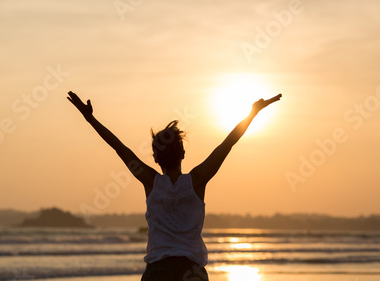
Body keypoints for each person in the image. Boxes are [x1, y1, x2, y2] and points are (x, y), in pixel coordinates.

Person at [67, 91, 282, 281]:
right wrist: (253, 114)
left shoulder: (150, 181)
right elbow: (228, 143)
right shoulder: (197, 180)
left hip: (157, 273)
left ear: (155, 159)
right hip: (192, 272)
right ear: (183, 154)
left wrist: (90, 119)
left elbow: (119, 147)